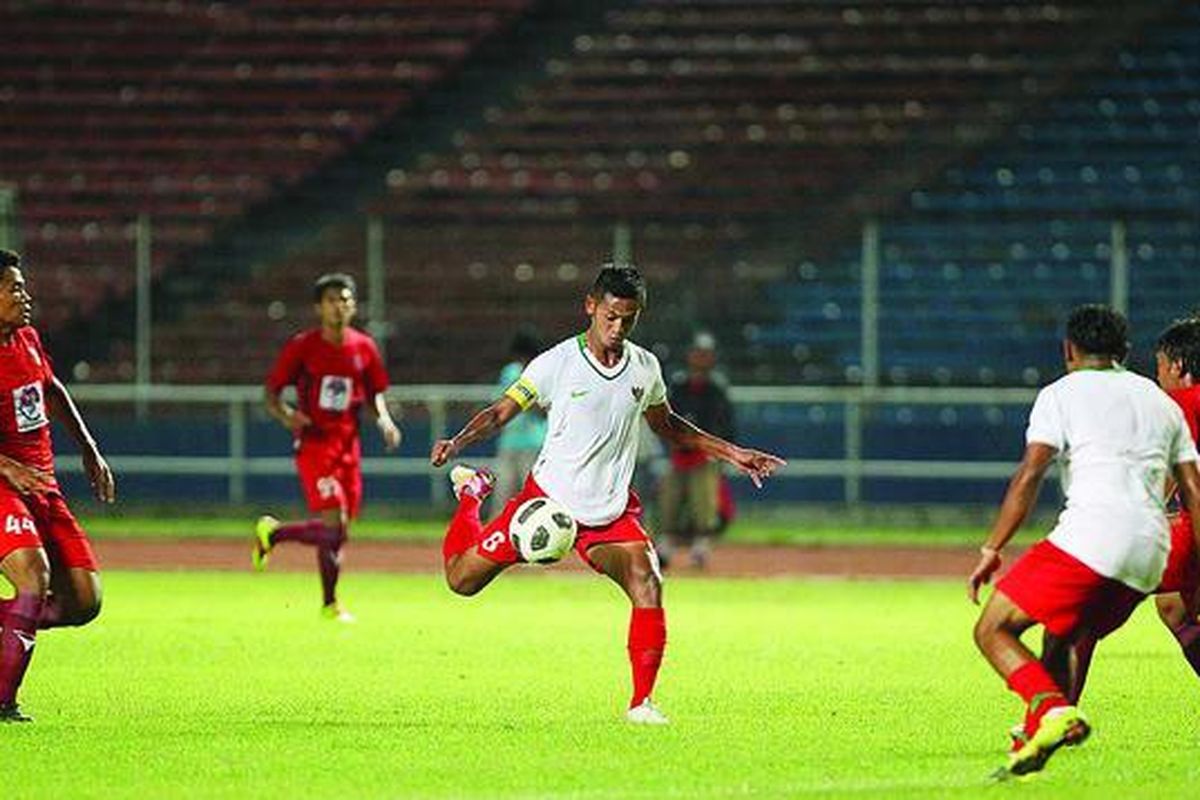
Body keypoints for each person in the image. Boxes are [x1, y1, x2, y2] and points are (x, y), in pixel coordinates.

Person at [429, 264, 786, 724]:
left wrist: (731, 452)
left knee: (648, 583)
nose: (617, 328)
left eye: (628, 319)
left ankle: (641, 703)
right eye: (611, 316)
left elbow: (668, 425)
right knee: (461, 581)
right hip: (546, 504)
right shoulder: (556, 363)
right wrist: (457, 443)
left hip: (610, 514)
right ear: (591, 306)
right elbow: (501, 412)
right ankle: (473, 496)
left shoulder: (645, 367)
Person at [967, 304, 1200, 778]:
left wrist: (993, 547)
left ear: (1069, 349)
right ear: (1124, 351)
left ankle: (1052, 710)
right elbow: (1191, 488)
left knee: (992, 627)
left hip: (1095, 536)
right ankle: (1042, 729)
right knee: (1072, 626)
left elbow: (1031, 473)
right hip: (1150, 550)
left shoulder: (1062, 392)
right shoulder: (1157, 402)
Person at [0, 249, 114, 722]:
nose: (24, 296)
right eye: (13, 288)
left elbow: (51, 389)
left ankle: (13, 625)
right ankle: (4, 701)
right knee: (32, 576)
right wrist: (7, 467)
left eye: (23, 287)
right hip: (4, 484)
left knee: (85, 600)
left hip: (44, 487)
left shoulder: (26, 338)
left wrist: (88, 446)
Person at [255, 273, 401, 622]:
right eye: (332, 300)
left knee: (340, 532)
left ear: (353, 305)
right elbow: (271, 392)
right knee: (333, 526)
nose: (340, 306)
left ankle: (275, 535)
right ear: (319, 307)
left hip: (349, 446)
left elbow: (375, 391)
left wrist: (384, 419)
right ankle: (330, 605)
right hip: (316, 445)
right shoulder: (303, 346)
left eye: (345, 299)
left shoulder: (364, 347)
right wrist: (287, 415)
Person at [656, 331, 735, 569]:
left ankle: (700, 548)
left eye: (705, 354)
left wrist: (719, 451)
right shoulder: (679, 385)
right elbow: (664, 417)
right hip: (679, 453)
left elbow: (726, 425)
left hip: (704, 454)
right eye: (697, 353)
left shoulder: (716, 389)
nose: (700, 359)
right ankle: (666, 546)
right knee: (669, 500)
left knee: (703, 502)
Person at [490, 327, 546, 512]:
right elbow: (501, 403)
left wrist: (524, 401)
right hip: (509, 441)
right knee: (502, 496)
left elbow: (544, 411)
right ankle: (497, 538)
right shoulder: (510, 372)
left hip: (534, 443)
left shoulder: (541, 372)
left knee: (533, 497)